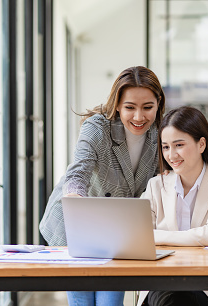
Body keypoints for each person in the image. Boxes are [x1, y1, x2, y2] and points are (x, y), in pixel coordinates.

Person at [39, 66, 166, 306]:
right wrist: (77, 204)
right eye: (130, 107)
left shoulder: (160, 133)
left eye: (147, 107)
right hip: (75, 222)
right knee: (82, 301)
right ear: (117, 104)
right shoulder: (97, 127)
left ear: (158, 103)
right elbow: (77, 174)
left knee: (110, 301)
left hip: (115, 230)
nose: (139, 117)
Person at [139, 106, 208, 306]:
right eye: (165, 147)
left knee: (178, 297)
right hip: (162, 281)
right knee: (172, 293)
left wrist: (155, 236)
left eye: (179, 144)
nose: (171, 155)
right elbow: (136, 234)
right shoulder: (157, 185)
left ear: (201, 144)